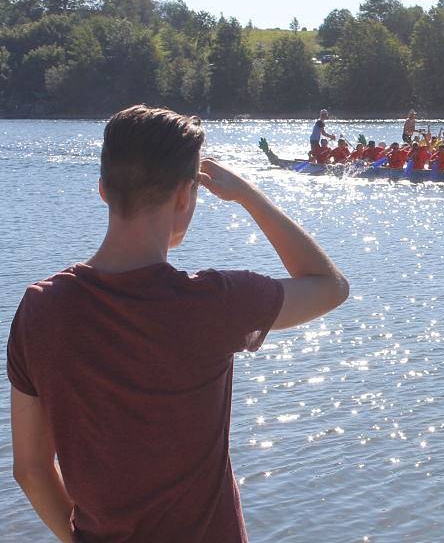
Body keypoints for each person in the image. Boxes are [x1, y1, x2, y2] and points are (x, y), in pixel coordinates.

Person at [7, 105, 349, 541]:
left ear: (103, 190)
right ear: (185, 197)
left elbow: (31, 469)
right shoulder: (212, 303)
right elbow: (330, 286)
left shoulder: (40, 310)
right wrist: (248, 194)